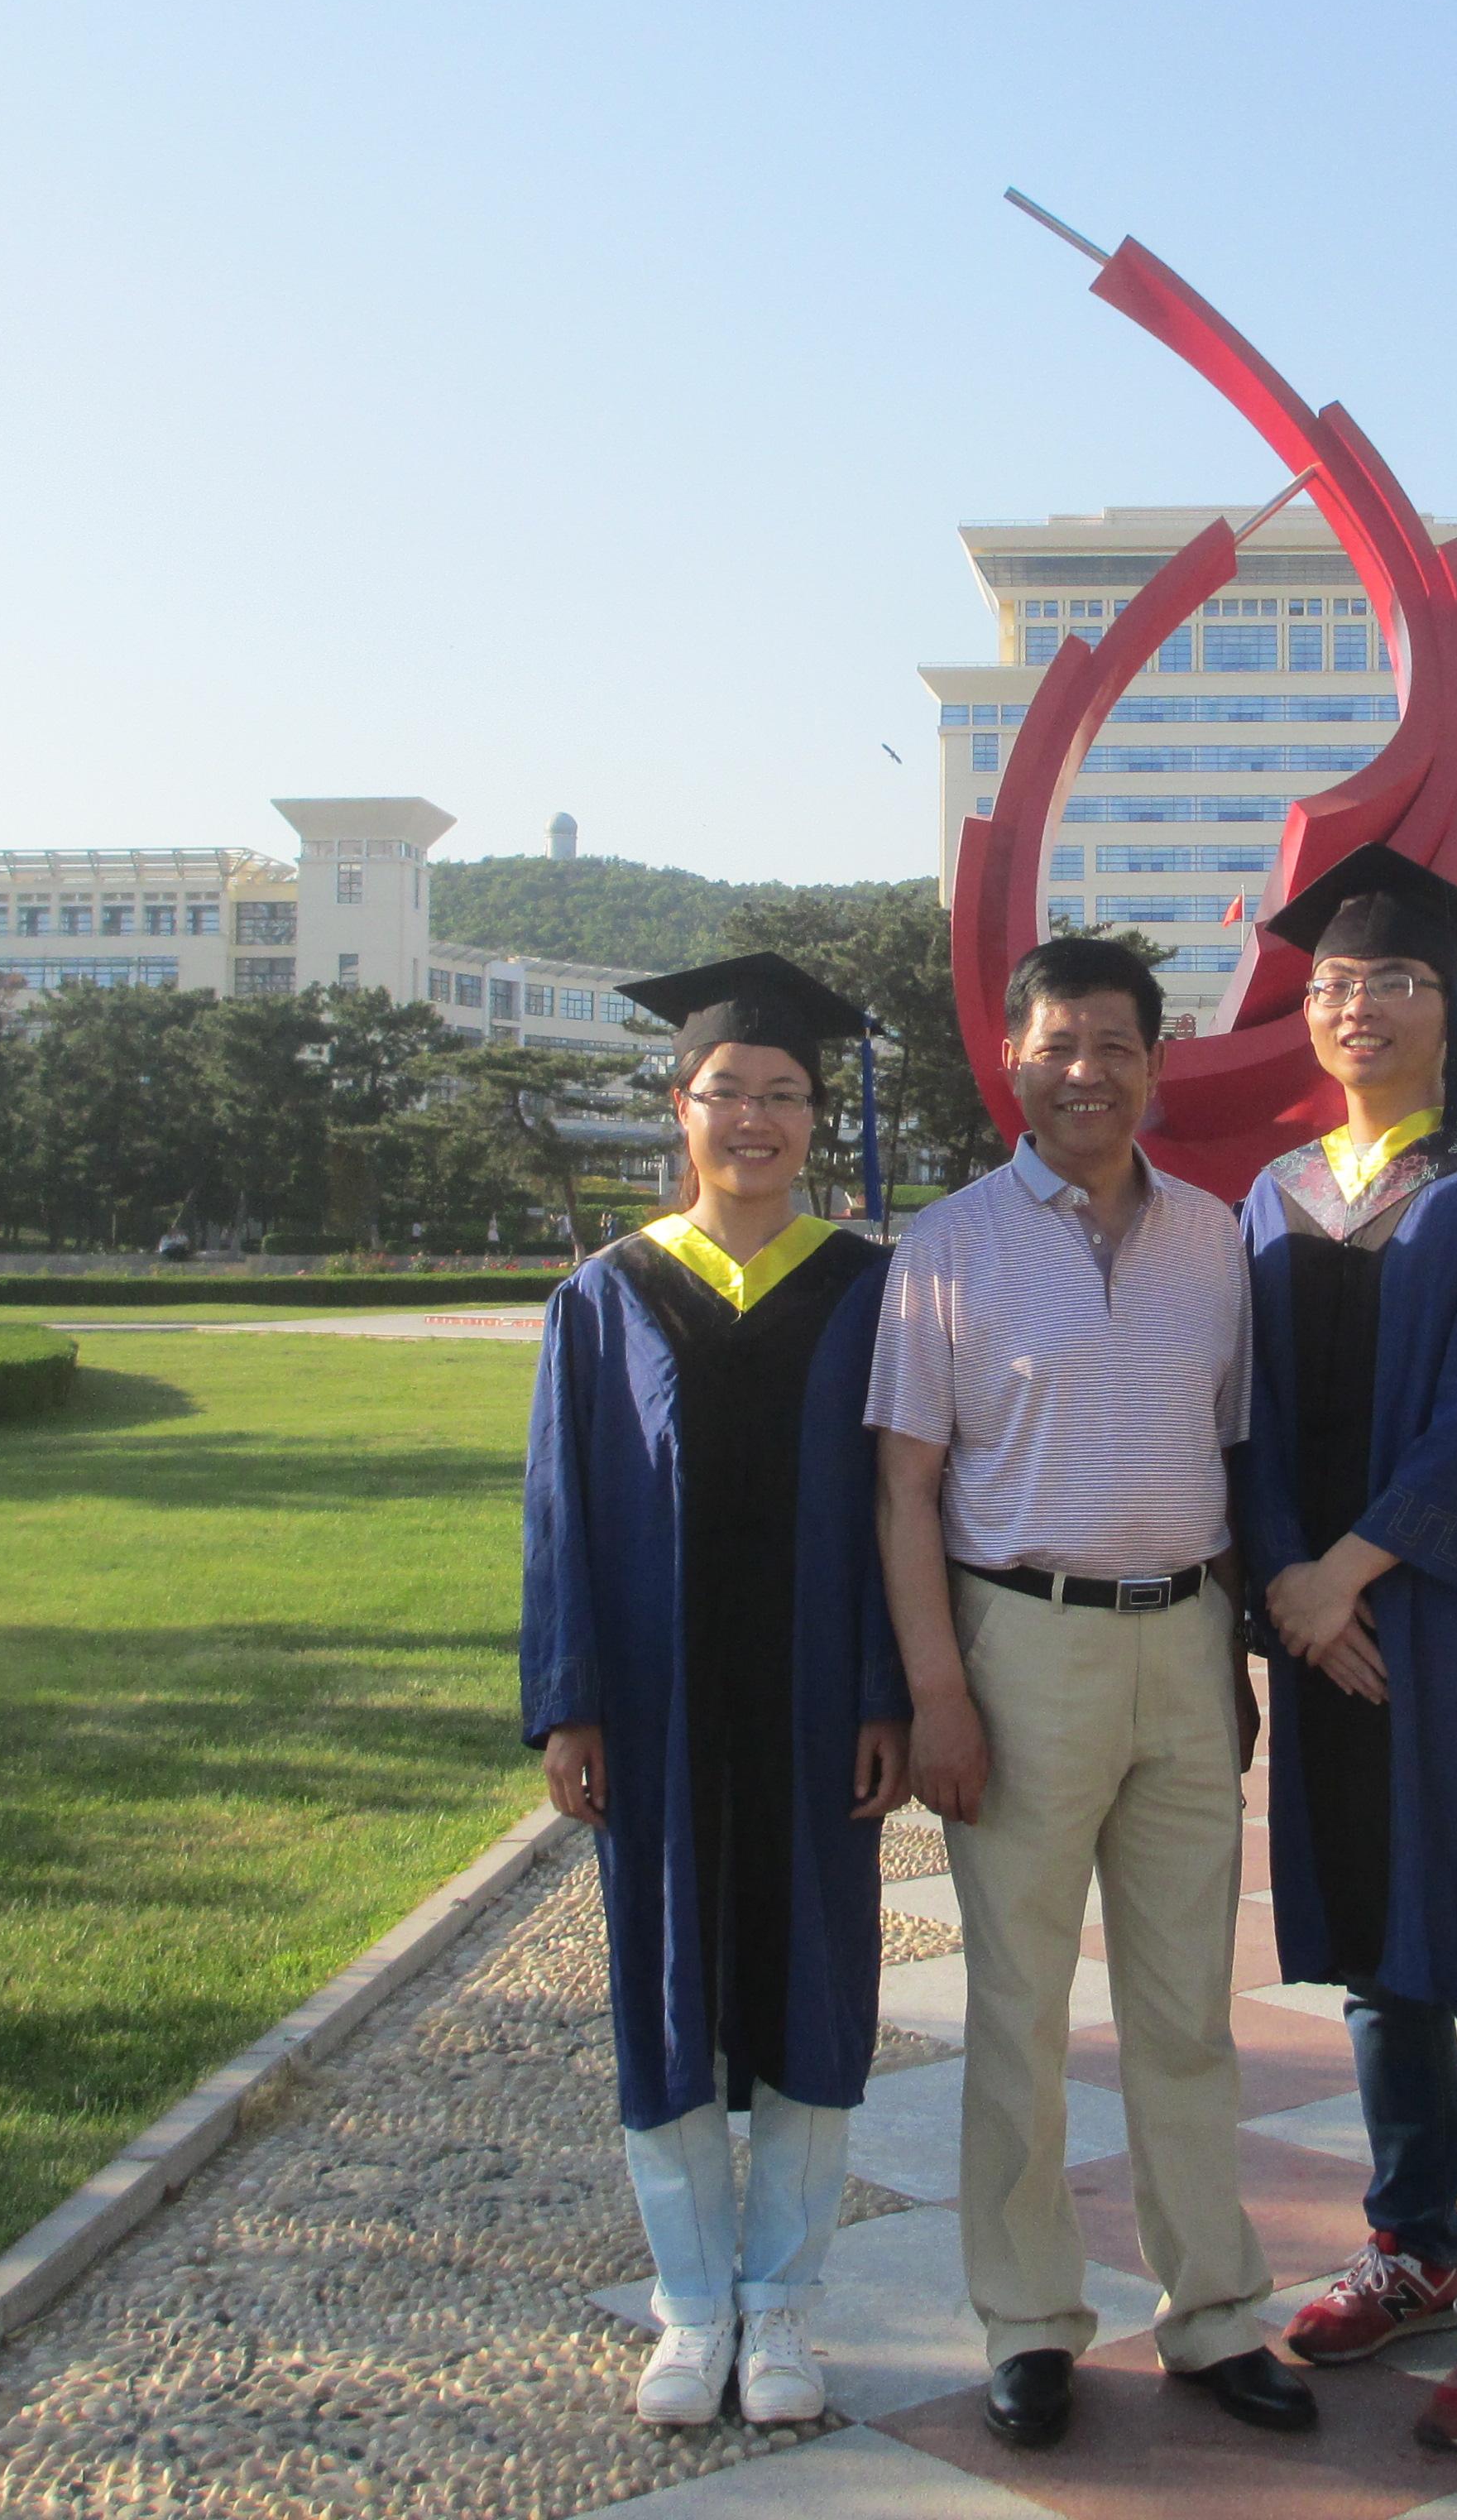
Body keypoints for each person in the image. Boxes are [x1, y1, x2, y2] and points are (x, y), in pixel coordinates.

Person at [867, 935, 1317, 2450]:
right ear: (1015, 1057)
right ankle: (1030, 2323)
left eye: (1116, 1046)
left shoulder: (1213, 1242)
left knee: (1189, 2009)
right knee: (1019, 2009)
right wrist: (940, 1691)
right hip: (1023, 1646)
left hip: (1184, 1641)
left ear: (1156, 1063)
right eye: (1059, 1046)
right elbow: (904, 1491)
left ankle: (1215, 2311)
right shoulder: (947, 1247)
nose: (1086, 1074)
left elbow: (1230, 1459)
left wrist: (1235, 1661)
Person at [1232, 847, 1457, 2448]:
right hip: (1319, 1627)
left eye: (1394, 980)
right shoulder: (1273, 1194)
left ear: (1451, 1008)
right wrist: (1286, 1584)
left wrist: (1349, 1572)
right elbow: (1241, 1417)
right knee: (1378, 1956)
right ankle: (1415, 2247)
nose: (1360, 1005)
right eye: (1333, 983)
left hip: (1450, 1622)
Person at [521, 953, 912, 2432]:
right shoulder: (605, 1297)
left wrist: (886, 1694)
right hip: (659, 1703)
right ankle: (691, 2309)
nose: (756, 1118)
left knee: (814, 1983)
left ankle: (783, 2305)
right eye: (727, 1091)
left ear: (816, 1116)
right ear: (678, 1107)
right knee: (667, 1984)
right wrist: (570, 1702)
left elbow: (906, 1510)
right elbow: (560, 1514)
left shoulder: (871, 1290)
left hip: (817, 1701)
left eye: (784, 1093)